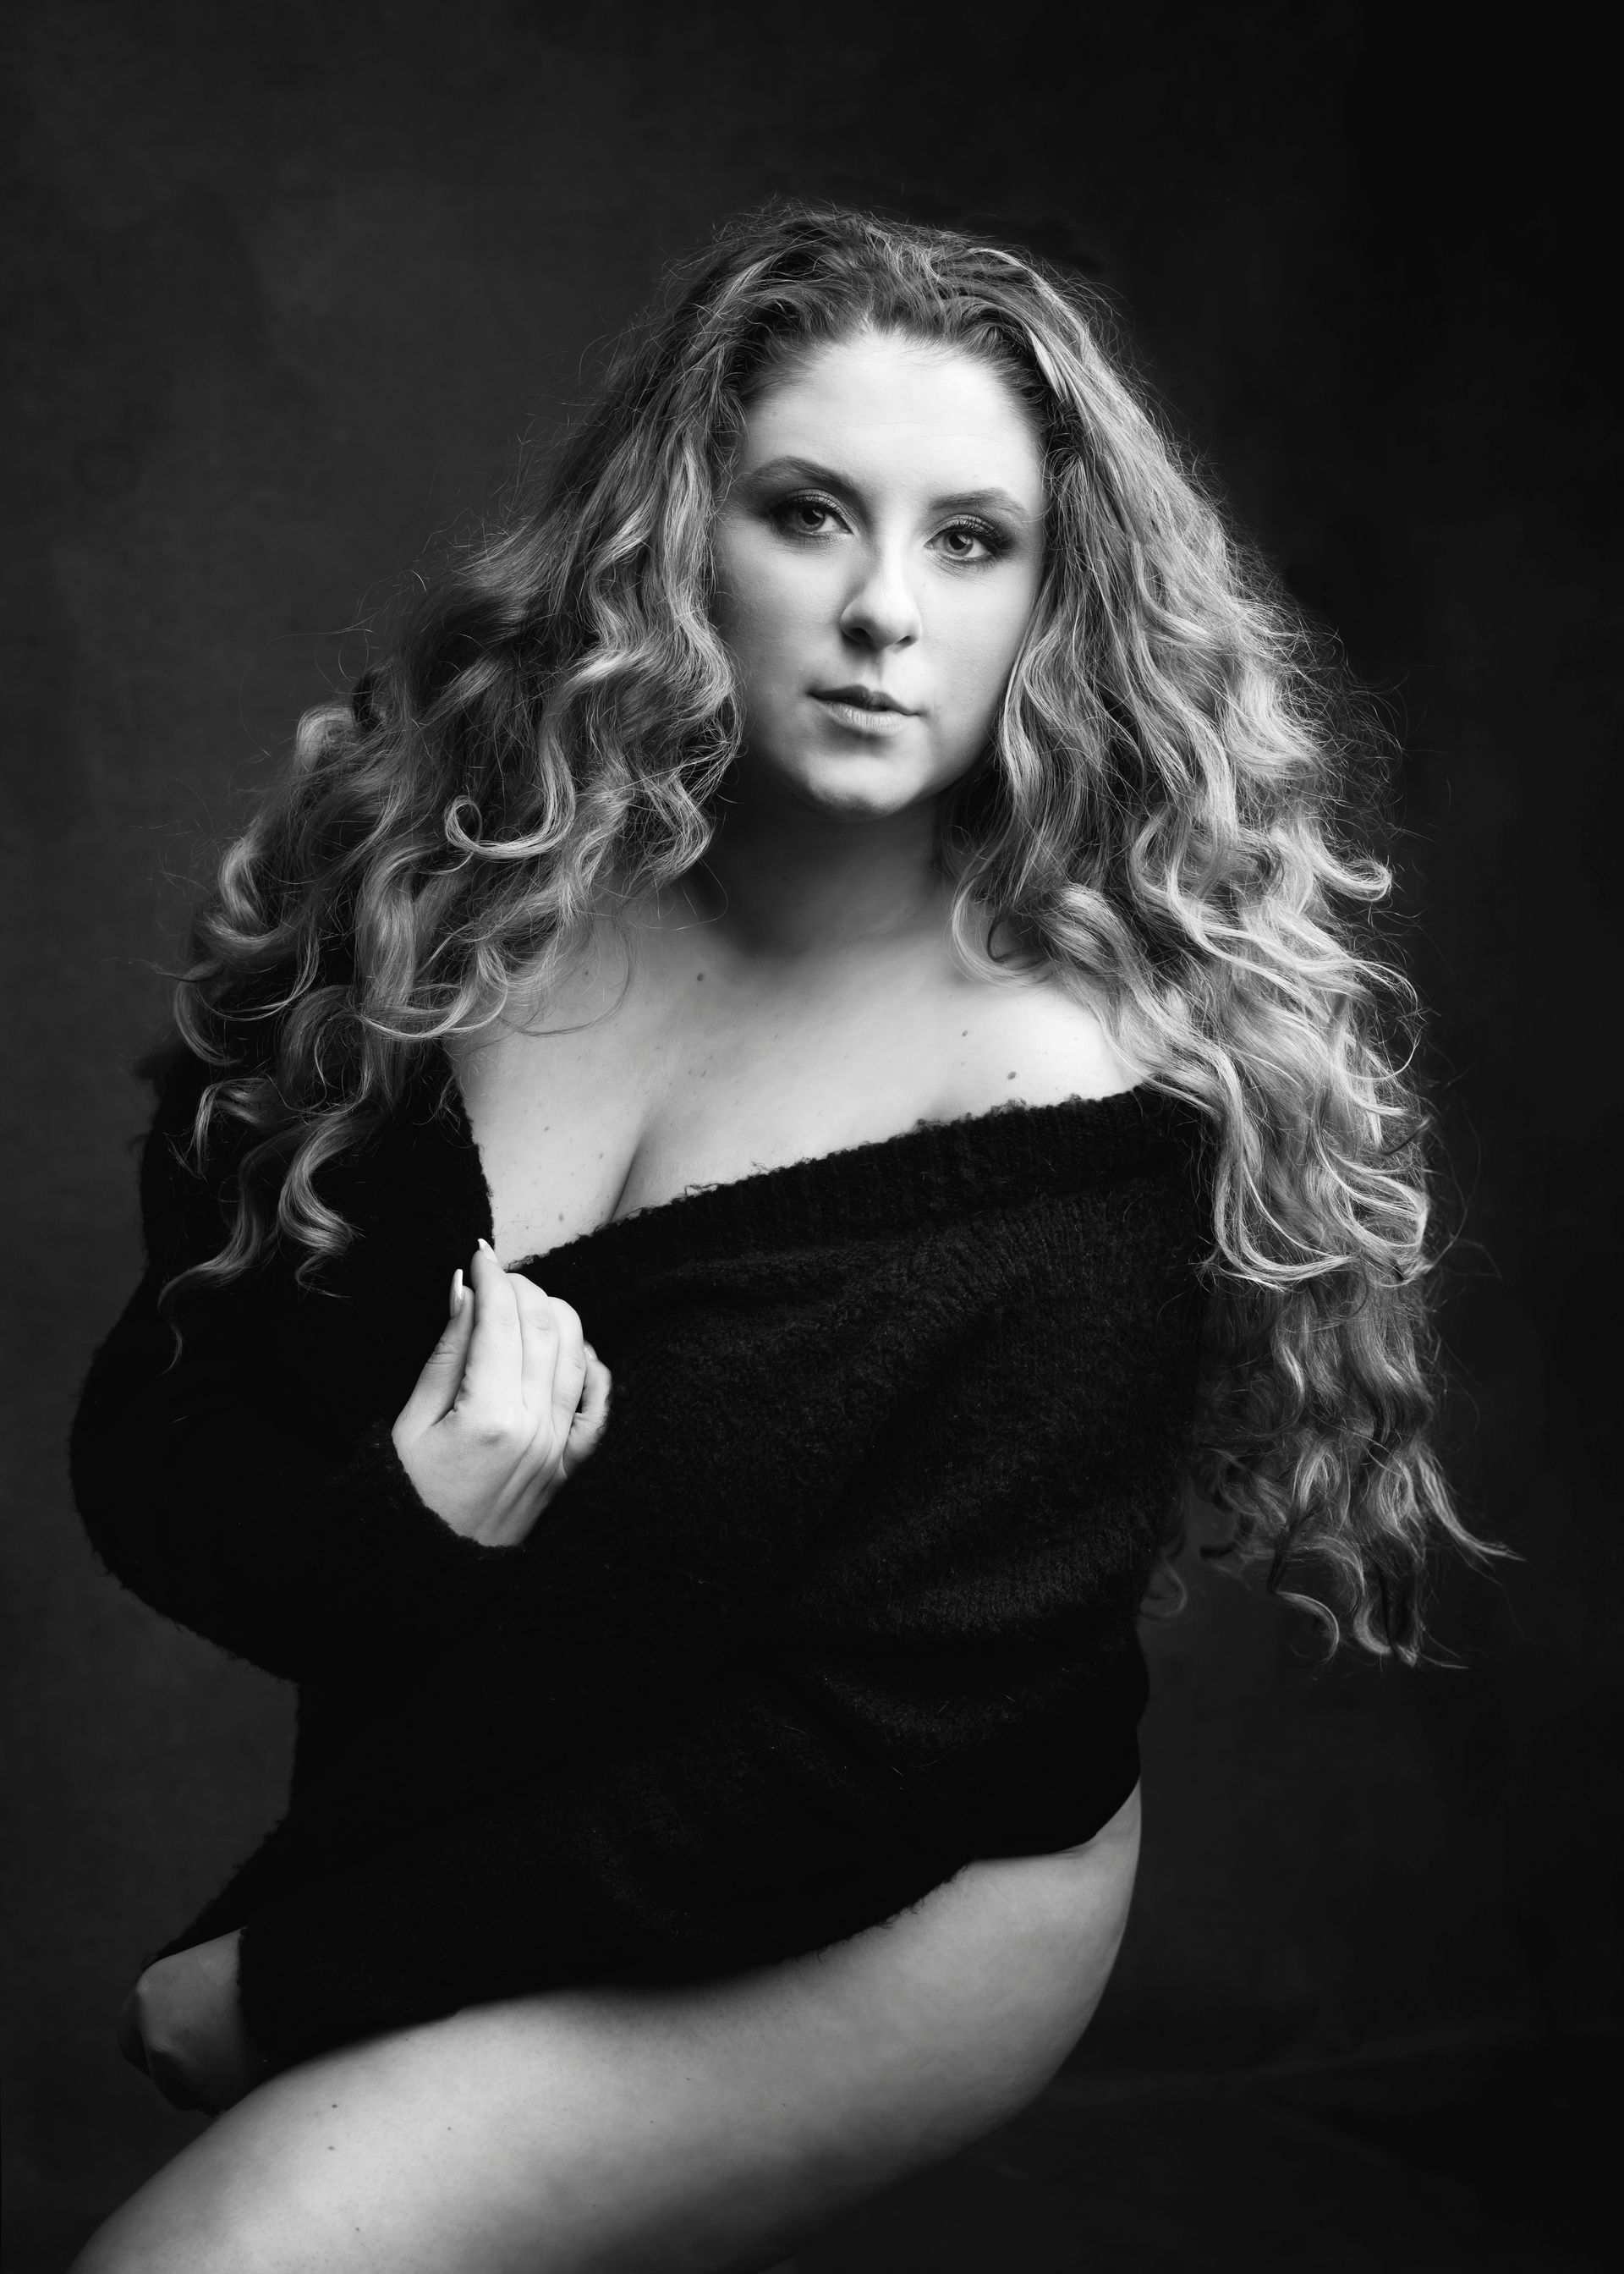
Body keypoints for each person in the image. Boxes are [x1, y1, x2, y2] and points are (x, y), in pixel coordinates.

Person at [66, 203, 1480, 2272]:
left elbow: (871, 1754)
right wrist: (408, 1526)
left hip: (889, 1876)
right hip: (499, 1793)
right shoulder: (415, 910)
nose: (884, 611)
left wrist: (296, 1978)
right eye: (810, 513)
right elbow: (157, 1459)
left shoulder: (1072, 1115)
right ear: (672, 540)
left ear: (1059, 604)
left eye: (973, 542)